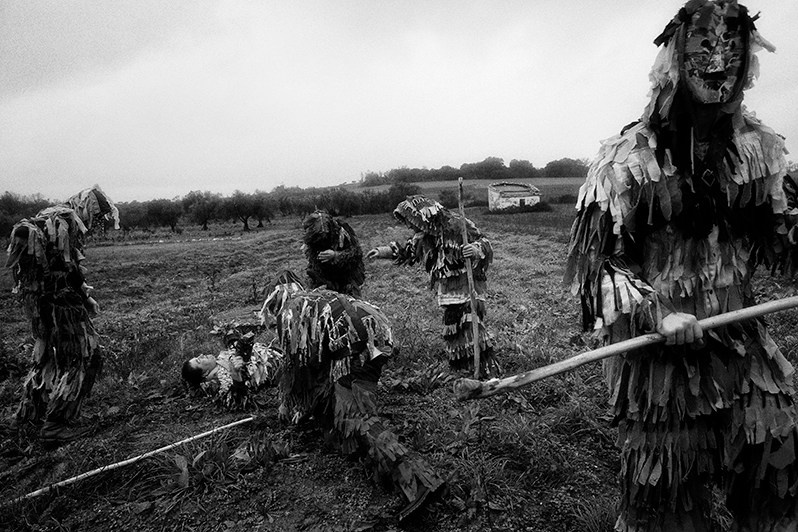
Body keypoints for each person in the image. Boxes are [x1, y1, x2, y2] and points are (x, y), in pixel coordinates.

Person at [565, 1, 798, 530]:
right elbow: (595, 268)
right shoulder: (626, 158)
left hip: (744, 348)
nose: (719, 62)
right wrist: (655, 314)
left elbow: (785, 236)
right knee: (664, 506)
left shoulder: (760, 152)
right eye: (704, 48)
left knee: (782, 471)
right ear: (675, 59)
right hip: (660, 367)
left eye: (732, 50)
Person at [188, 270, 444, 520]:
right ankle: (347, 441)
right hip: (374, 338)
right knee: (342, 400)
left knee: (356, 417)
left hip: (357, 349)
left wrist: (293, 404)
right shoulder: (315, 299)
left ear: (274, 300)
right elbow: (317, 365)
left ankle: (417, 478)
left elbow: (303, 370)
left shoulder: (292, 312)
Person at [6, 185, 119, 444]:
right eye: (97, 215)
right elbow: (66, 270)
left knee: (46, 359)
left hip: (39, 305)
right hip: (61, 305)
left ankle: (28, 417)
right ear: (89, 207)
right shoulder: (67, 220)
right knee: (84, 357)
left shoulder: (49, 215)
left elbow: (65, 265)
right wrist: (80, 298)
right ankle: (56, 425)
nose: (95, 222)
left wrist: (86, 295)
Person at [367, 195, 499, 377]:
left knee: (471, 327)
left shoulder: (458, 225)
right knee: (453, 331)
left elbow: (484, 243)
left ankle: (485, 371)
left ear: (423, 217)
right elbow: (408, 251)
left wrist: (476, 249)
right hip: (447, 292)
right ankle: (463, 370)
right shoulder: (424, 237)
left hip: (469, 288)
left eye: (411, 221)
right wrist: (383, 252)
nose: (409, 226)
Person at [182, 322, 284, 409]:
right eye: (199, 360)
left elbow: (233, 349)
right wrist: (236, 376)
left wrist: (232, 339)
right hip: (276, 366)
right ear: (205, 374)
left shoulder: (219, 362)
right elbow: (237, 401)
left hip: (270, 352)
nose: (202, 355)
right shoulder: (220, 382)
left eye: (198, 356)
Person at [302, 209, 365, 297]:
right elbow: (313, 260)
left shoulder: (343, 232)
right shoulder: (313, 238)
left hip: (348, 275)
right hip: (325, 276)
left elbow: (357, 254)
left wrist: (335, 255)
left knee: (351, 304)